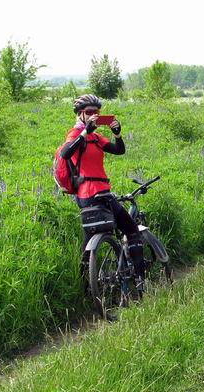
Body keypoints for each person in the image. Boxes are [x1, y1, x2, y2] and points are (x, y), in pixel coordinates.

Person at [59, 94, 145, 292]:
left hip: (93, 194)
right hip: (92, 193)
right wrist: (84, 132)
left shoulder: (96, 138)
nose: (93, 116)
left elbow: (119, 150)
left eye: (97, 113)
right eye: (89, 113)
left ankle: (86, 288)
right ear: (80, 115)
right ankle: (140, 282)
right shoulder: (75, 134)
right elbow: (65, 153)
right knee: (132, 230)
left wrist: (117, 133)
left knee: (88, 241)